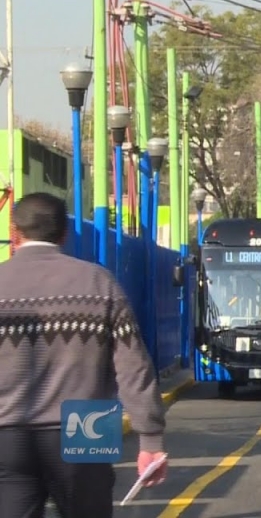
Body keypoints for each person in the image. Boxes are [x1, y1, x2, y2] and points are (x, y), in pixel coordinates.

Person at [0, 192, 168, 518]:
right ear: (64, 234)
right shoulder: (98, 282)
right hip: (88, 423)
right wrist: (151, 440)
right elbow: (133, 366)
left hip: (7, 428)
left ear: (15, 233)